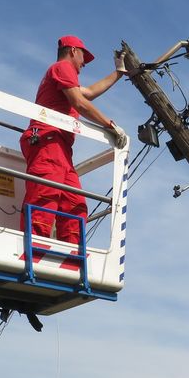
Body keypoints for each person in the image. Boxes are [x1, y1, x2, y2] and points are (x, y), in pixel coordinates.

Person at [20, 34, 127, 246]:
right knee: (45, 197)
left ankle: (72, 254)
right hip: (48, 141)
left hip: (60, 148)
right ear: (72, 51)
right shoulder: (62, 67)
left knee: (75, 204)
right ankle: (34, 249)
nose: (84, 63)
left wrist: (119, 72)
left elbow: (88, 92)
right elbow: (79, 102)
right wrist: (110, 125)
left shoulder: (63, 75)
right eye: (83, 57)